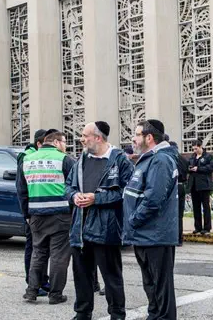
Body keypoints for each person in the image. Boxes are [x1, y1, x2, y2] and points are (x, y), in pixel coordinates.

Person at [66, 121, 133, 320]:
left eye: (85, 135)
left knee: (111, 276)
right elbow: (68, 186)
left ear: (98, 137)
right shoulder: (81, 160)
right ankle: (83, 313)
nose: (81, 139)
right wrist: (74, 196)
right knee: (82, 275)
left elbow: (127, 192)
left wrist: (97, 199)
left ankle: (117, 314)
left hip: (107, 229)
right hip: (80, 229)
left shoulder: (119, 160)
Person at [123, 119, 179, 320]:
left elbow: (154, 199)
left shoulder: (160, 160)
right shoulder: (148, 159)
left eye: (136, 135)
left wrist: (134, 220)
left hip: (155, 234)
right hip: (144, 234)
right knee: (151, 284)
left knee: (160, 286)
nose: (133, 139)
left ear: (149, 137)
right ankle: (154, 315)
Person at [18, 129, 75, 305]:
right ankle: (55, 294)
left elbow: (21, 191)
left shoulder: (26, 159)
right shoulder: (64, 160)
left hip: (36, 214)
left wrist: (26, 214)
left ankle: (31, 291)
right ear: (56, 142)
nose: (65, 146)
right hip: (60, 215)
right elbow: (74, 186)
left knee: (38, 253)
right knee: (59, 255)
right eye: (64, 142)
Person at [16, 129, 51, 297]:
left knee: (41, 248)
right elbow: (22, 190)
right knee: (34, 248)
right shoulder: (26, 159)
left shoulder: (35, 158)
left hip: (40, 210)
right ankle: (34, 282)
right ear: (39, 144)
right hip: (33, 212)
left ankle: (41, 280)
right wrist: (27, 215)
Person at [188, 140, 213, 235]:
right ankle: (198, 227)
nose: (195, 150)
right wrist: (190, 168)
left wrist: (198, 168)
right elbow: (188, 165)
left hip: (204, 185)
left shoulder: (208, 156)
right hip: (194, 185)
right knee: (196, 207)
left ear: (200, 147)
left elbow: (211, 167)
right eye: (193, 149)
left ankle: (207, 227)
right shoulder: (192, 157)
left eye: (196, 148)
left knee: (206, 207)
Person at [166, 139, 188, 246]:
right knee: (180, 214)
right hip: (182, 186)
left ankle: (173, 238)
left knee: (171, 213)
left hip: (173, 186)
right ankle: (180, 238)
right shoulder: (183, 159)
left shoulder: (169, 159)